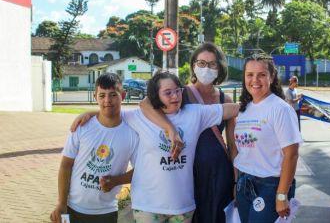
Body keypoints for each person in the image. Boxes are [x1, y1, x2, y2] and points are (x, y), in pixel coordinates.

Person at [70, 71, 240, 223]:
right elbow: (111, 114)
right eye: (167, 93)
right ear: (156, 96)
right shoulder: (139, 117)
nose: (175, 96)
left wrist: (260, 103)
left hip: (183, 207)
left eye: (177, 90)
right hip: (147, 207)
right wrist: (90, 114)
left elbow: (233, 109)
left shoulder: (196, 113)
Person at [140, 42, 237, 223]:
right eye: (201, 63)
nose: (206, 68)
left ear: (220, 67)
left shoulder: (226, 98)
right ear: (193, 65)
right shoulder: (180, 94)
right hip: (188, 173)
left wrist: (236, 180)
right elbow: (146, 103)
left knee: (217, 216)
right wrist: (170, 129)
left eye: (212, 64)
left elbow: (232, 145)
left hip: (219, 172)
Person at [50, 73, 139, 223]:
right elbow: (65, 166)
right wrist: (61, 203)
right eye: (102, 95)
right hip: (72, 207)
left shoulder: (132, 134)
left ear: (123, 95)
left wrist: (116, 181)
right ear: (95, 96)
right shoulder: (81, 127)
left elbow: (141, 170)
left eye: (113, 95)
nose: (107, 100)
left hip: (107, 211)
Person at [234, 54, 303, 223]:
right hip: (244, 183)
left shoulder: (280, 109)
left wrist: (281, 194)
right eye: (250, 74)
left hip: (270, 186)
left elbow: (291, 154)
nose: (255, 80)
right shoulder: (244, 109)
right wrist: (236, 185)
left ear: (272, 77)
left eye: (262, 74)